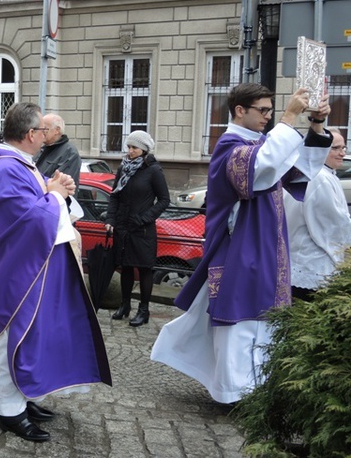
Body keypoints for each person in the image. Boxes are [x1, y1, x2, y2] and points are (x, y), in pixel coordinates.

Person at [150, 83, 332, 404]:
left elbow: (300, 170)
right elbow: (261, 169)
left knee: (263, 321)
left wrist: (315, 125)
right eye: (262, 110)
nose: (268, 117)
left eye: (271, 111)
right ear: (239, 111)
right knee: (239, 322)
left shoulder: (263, 143)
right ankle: (234, 394)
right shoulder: (230, 146)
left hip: (267, 247)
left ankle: (257, 390)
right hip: (240, 248)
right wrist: (289, 118)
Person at [0, 102, 112, 442]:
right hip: (15, 276)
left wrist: (58, 191)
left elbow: (35, 206)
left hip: (29, 271)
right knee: (11, 339)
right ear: (29, 134)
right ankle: (8, 409)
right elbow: (26, 222)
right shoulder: (7, 169)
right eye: (42, 131)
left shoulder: (21, 164)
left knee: (26, 340)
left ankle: (21, 398)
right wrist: (53, 196)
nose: (45, 137)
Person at [106, 130, 170, 327]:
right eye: (129, 147)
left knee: (144, 270)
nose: (130, 151)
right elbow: (115, 195)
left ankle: (144, 310)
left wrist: (145, 218)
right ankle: (125, 305)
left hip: (142, 230)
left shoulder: (154, 170)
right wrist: (111, 219)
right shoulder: (123, 168)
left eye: (134, 147)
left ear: (144, 149)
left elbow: (164, 200)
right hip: (123, 228)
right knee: (125, 267)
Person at [285, 128, 351, 300]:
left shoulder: (322, 174)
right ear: (321, 150)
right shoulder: (319, 177)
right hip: (312, 266)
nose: (342, 153)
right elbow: (333, 225)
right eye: (335, 148)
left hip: (301, 261)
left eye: (343, 148)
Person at [34, 112, 81, 189]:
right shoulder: (41, 149)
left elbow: (59, 185)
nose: (42, 131)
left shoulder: (70, 152)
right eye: (41, 128)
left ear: (57, 130)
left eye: (45, 128)